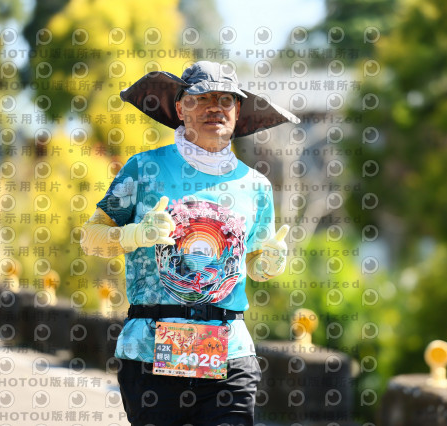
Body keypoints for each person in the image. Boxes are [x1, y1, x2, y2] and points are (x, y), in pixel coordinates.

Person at [80, 61, 299, 426]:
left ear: (238, 110)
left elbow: (255, 264)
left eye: (226, 99)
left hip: (229, 352)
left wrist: (269, 262)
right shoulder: (144, 169)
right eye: (203, 97)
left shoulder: (255, 186)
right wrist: (134, 234)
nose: (216, 107)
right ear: (180, 107)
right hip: (151, 351)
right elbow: (91, 237)